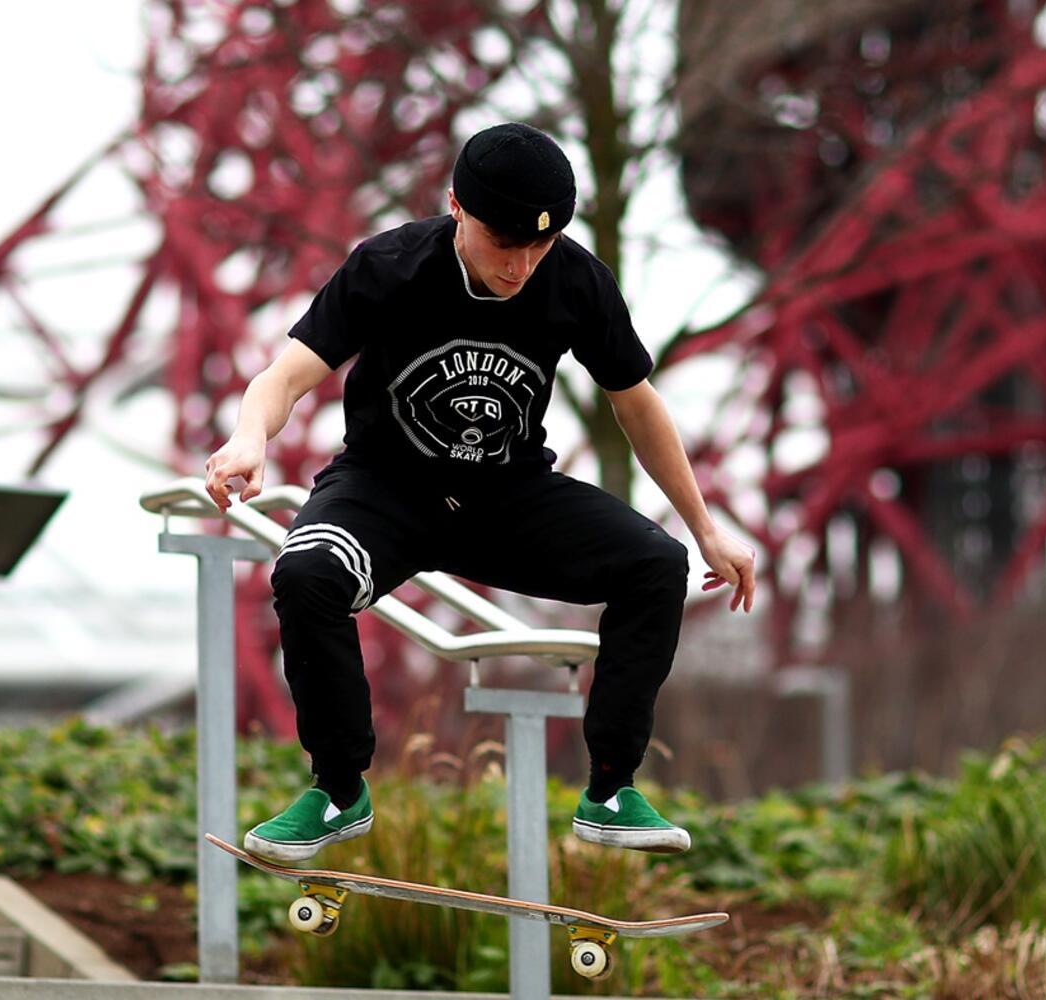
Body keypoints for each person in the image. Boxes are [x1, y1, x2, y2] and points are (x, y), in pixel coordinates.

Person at [203, 122, 757, 863]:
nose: (521, 265)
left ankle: (610, 792)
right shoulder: (390, 266)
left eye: (541, 245)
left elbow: (637, 404)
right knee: (307, 574)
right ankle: (338, 791)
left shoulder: (577, 280)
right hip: (386, 489)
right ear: (457, 207)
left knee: (656, 565)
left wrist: (705, 528)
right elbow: (285, 377)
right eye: (504, 244)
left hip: (508, 497)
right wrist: (250, 437)